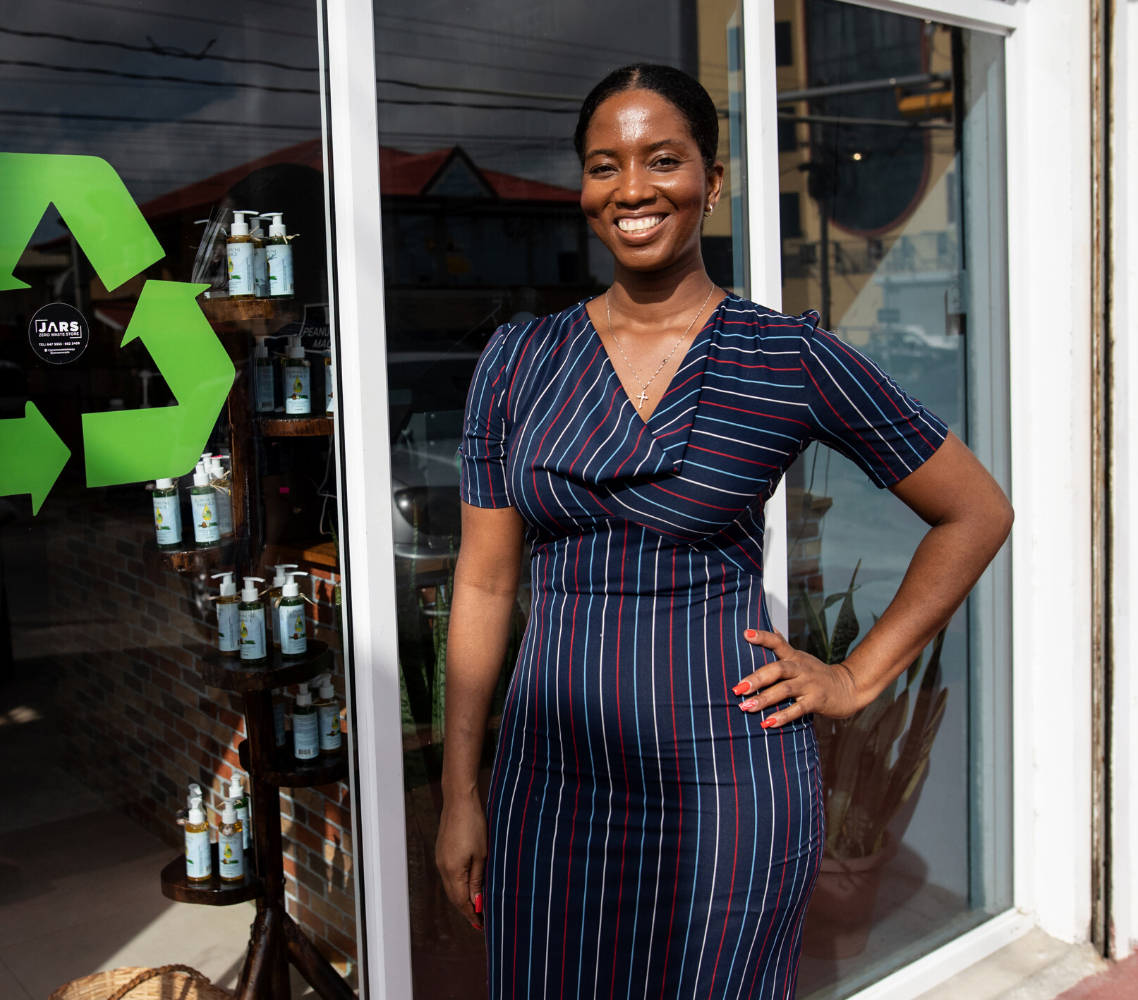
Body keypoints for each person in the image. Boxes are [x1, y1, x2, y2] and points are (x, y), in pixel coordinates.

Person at [434, 63, 1013, 999]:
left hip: (727, 787)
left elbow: (975, 511)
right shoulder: (518, 362)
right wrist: (463, 792)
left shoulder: (785, 356)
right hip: (549, 781)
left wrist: (856, 676)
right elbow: (486, 583)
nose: (632, 189)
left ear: (713, 181)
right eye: (603, 165)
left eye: (663, 159)